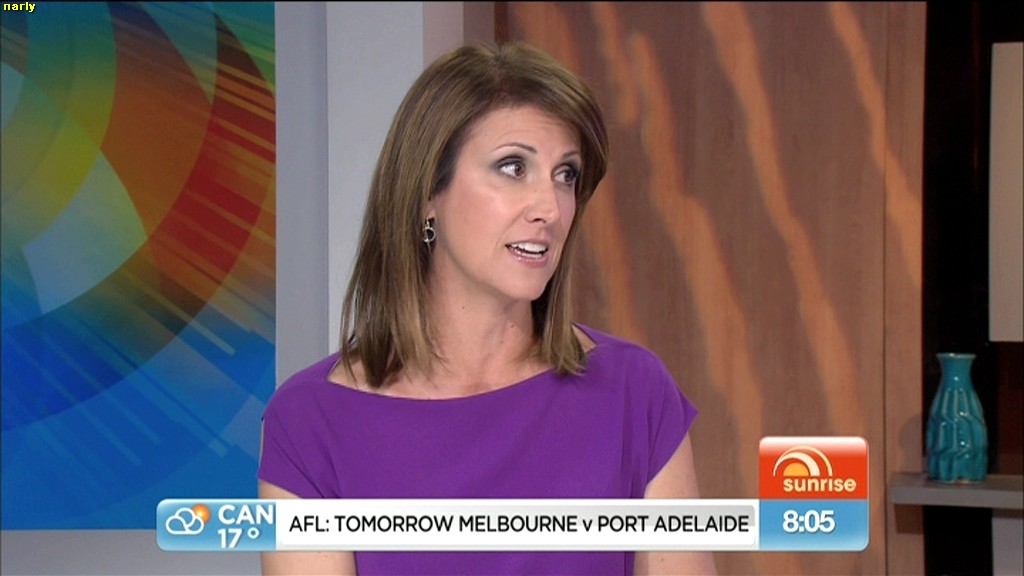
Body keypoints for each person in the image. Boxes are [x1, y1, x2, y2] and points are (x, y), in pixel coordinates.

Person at [258, 41, 717, 575]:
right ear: (427, 195)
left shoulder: (636, 393)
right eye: (513, 167)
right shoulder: (310, 422)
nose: (550, 208)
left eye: (566, 175)